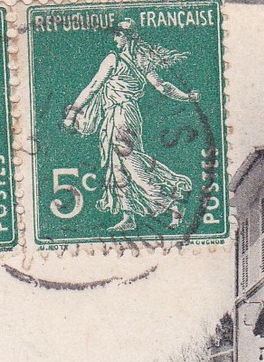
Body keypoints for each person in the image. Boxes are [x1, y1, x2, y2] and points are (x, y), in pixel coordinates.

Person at [63, 20, 200, 233]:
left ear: (128, 36)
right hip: (123, 115)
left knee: (129, 162)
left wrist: (72, 114)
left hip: (120, 114)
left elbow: (92, 87)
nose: (115, 39)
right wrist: (187, 97)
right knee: (117, 167)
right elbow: (162, 87)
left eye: (118, 35)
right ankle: (131, 215)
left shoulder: (113, 59)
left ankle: (172, 196)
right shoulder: (142, 60)